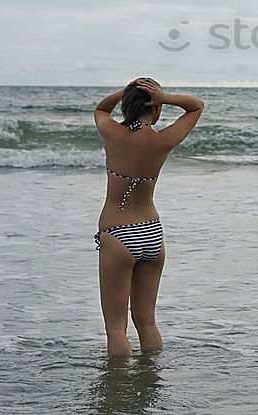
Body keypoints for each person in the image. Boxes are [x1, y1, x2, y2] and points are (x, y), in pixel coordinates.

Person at [92, 77, 205, 355]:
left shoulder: (113, 133)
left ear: (127, 106)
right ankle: (151, 381)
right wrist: (163, 97)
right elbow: (196, 107)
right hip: (152, 233)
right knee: (147, 322)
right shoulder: (162, 140)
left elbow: (100, 110)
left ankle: (117, 391)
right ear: (154, 109)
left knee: (116, 328)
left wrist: (126, 91)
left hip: (118, 235)